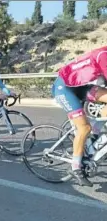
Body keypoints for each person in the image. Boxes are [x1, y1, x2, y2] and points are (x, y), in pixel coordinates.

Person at [52, 46, 107, 187]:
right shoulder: (103, 54)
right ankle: (76, 168)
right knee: (84, 128)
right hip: (64, 88)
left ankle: (95, 133)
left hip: (81, 85)